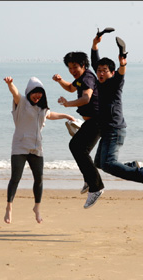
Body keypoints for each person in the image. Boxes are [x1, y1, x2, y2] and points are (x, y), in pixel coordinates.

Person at [3, 76, 75, 224]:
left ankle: (37, 207)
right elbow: (15, 93)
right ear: (29, 92)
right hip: (20, 146)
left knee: (39, 179)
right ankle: (9, 207)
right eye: (35, 93)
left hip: (37, 148)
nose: (37, 96)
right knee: (15, 178)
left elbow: (51, 115)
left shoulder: (42, 108)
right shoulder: (21, 102)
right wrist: (11, 84)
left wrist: (66, 115)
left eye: (40, 93)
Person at [91, 33, 143, 192]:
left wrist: (122, 62)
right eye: (99, 71)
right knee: (99, 164)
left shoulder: (114, 83)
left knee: (109, 164)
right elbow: (94, 62)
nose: (101, 73)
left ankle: (141, 173)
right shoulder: (100, 83)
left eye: (105, 70)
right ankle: (132, 166)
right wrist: (95, 45)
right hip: (107, 130)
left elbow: (121, 73)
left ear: (111, 72)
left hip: (114, 129)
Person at [52, 52, 104, 209]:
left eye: (75, 67)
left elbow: (86, 98)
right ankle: (89, 180)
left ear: (83, 65)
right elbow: (70, 87)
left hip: (97, 121)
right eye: (70, 68)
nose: (72, 70)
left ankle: (96, 187)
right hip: (93, 122)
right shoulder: (80, 78)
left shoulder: (87, 77)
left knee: (78, 148)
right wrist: (60, 80)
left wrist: (69, 104)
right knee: (77, 147)